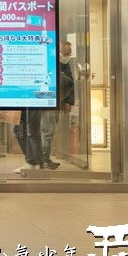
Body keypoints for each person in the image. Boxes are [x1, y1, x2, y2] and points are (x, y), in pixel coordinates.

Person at [41, 40, 75, 169]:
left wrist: (68, 101)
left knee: (51, 130)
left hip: (60, 101)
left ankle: (45, 158)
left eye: (69, 52)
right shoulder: (49, 63)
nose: (67, 55)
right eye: (64, 52)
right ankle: (44, 159)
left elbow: (70, 83)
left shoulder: (65, 64)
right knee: (48, 130)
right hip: (48, 101)